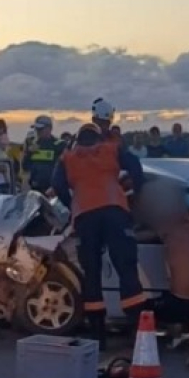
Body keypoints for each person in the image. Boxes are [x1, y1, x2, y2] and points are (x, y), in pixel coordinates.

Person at [51, 122, 147, 347]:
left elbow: (57, 185)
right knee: (126, 269)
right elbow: (135, 167)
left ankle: (97, 334)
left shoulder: (67, 158)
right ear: (98, 138)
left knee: (91, 274)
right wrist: (135, 192)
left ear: (77, 140)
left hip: (85, 216)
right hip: (116, 212)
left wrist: (73, 202)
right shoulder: (111, 149)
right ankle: (137, 331)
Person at [138, 190, 189, 326]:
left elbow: (141, 236)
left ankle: (146, 340)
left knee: (139, 308)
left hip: (177, 307)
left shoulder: (170, 232)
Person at [22, 115, 65, 194]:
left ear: (49, 129)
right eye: (36, 129)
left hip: (53, 190)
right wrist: (29, 153)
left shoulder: (59, 145)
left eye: (40, 129)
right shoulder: (32, 144)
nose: (38, 131)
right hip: (36, 189)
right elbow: (25, 167)